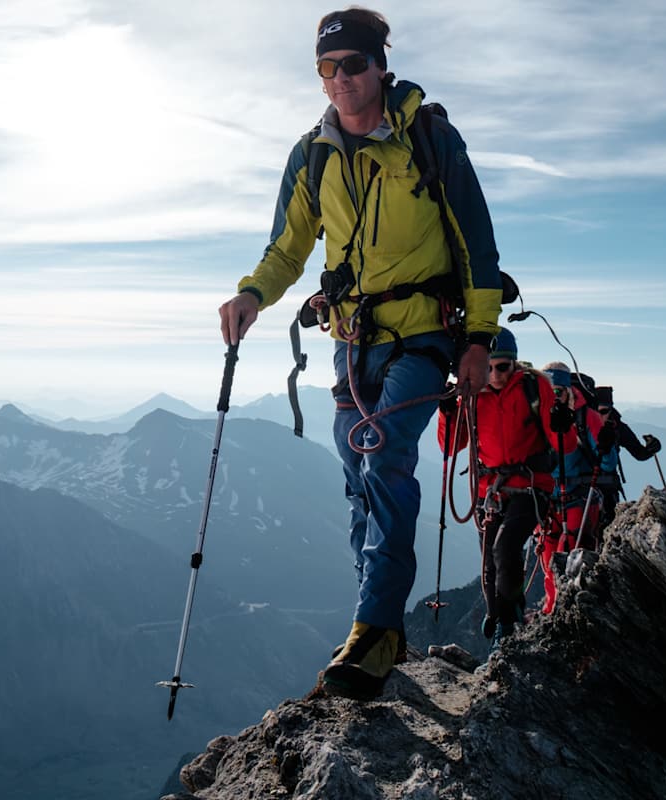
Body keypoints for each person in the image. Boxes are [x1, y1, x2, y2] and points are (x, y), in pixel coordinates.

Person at [218, 7, 502, 700]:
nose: (339, 79)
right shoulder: (311, 156)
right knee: (357, 483)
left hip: (422, 335)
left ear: (380, 64)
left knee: (383, 455)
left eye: (351, 63)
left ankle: (374, 628)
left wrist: (479, 338)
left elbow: (476, 241)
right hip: (351, 342)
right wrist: (254, 294)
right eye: (326, 67)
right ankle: (377, 632)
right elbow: (288, 247)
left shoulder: (428, 139)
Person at [438, 328, 575, 651]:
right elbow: (451, 445)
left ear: (515, 364)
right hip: (491, 490)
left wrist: (561, 421)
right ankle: (499, 615)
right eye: (490, 367)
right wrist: (448, 413)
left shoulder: (534, 386)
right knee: (488, 562)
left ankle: (508, 623)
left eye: (504, 367)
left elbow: (564, 447)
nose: (496, 375)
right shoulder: (470, 394)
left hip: (531, 486)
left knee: (505, 547)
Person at [538, 361, 606, 614]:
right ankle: (552, 610)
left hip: (577, 498)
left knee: (570, 557)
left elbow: (605, 460)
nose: (554, 396)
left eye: (558, 391)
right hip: (546, 501)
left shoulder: (585, 417)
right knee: (547, 560)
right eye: (549, 390)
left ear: (568, 390)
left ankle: (568, 610)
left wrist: (606, 445)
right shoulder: (538, 415)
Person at [592, 386, 662, 530]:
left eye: (604, 411)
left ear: (611, 410)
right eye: (596, 411)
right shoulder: (581, 427)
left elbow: (639, 454)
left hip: (607, 489)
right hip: (587, 488)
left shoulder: (618, 428)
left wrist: (651, 448)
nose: (600, 416)